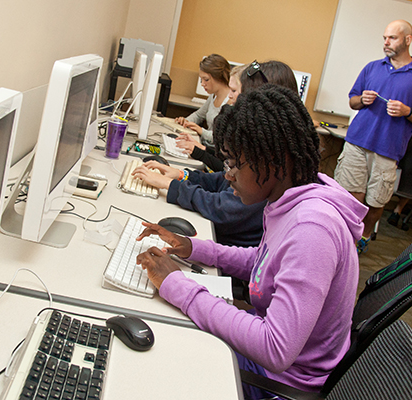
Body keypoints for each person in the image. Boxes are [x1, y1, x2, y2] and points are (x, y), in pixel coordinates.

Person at [135, 85, 367, 397]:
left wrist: (178, 284)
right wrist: (195, 248)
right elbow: (265, 260)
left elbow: (275, 348)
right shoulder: (292, 196)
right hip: (270, 361)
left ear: (274, 160)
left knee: (159, 357)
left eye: (233, 163)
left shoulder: (314, 228)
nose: (227, 175)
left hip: (280, 383)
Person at [133, 60, 300, 248]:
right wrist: (182, 175)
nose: (230, 98)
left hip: (230, 252)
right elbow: (223, 179)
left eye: (236, 92)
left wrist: (172, 186)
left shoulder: (269, 167)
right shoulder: (260, 152)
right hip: (227, 251)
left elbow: (225, 209)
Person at [334, 19, 412, 254]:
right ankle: (343, 240)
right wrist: (362, 100)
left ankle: (364, 237)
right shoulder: (372, 67)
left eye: (393, 38)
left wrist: (406, 111)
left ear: (408, 40)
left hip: (388, 150)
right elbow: (352, 100)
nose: (386, 43)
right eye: (384, 38)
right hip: (357, 142)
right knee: (352, 197)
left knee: (375, 203)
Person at [175, 54, 231, 147]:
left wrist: (201, 131)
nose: (202, 84)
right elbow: (198, 115)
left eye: (206, 80)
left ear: (219, 77)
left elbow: (223, 137)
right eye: (201, 80)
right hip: (205, 145)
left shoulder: (231, 102)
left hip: (215, 152)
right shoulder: (213, 96)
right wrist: (186, 122)